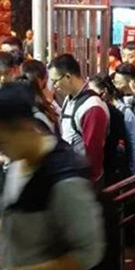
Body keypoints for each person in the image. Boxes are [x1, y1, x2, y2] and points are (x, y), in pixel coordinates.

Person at [0, 83, 104, 270]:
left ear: (25, 128)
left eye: (0, 140)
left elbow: (88, 253)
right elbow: (13, 214)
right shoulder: (18, 162)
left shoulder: (64, 180)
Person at [48, 54, 109, 185]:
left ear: (68, 77)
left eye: (55, 81)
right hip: (72, 175)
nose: (54, 86)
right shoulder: (69, 99)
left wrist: (90, 182)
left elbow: (93, 152)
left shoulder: (92, 107)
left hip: (85, 180)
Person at [90, 74, 135, 178]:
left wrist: (134, 173)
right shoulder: (94, 111)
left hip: (117, 168)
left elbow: (134, 145)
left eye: (92, 93)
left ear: (104, 92)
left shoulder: (124, 112)